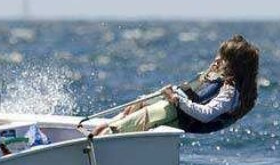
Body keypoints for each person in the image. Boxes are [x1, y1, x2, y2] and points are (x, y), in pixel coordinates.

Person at [92, 35, 259, 136]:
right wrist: (209, 73)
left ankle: (101, 137)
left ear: (236, 66)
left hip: (176, 113)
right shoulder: (219, 77)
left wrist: (176, 99)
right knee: (137, 105)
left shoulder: (230, 93)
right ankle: (106, 127)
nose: (217, 59)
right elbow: (199, 89)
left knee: (121, 126)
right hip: (173, 106)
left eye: (224, 58)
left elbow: (206, 114)